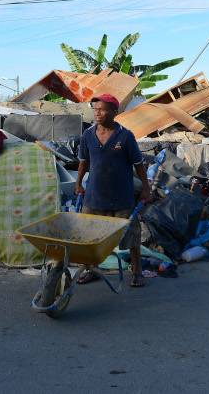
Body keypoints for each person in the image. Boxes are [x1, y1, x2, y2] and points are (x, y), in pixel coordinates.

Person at [75, 94, 151, 287]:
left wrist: (145, 188)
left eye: (102, 109)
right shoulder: (87, 135)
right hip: (94, 196)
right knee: (88, 236)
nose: (97, 113)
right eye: (95, 109)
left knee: (130, 236)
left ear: (114, 112)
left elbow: (138, 164)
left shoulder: (125, 136)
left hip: (121, 196)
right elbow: (84, 162)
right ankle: (90, 269)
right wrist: (78, 184)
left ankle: (137, 271)